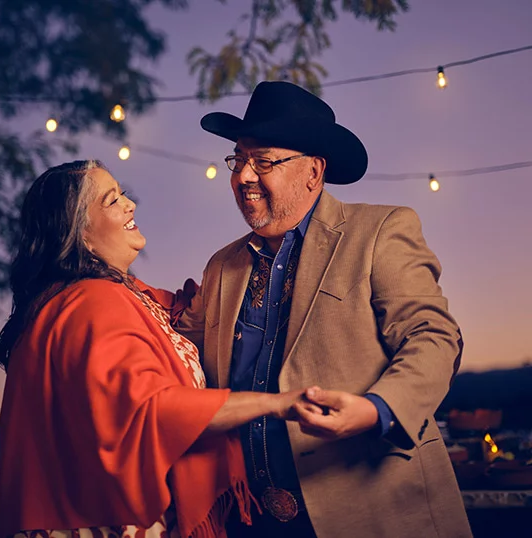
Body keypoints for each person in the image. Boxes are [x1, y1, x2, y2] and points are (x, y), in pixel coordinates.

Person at [176, 81, 472, 537]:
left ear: (313, 171)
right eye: (239, 159)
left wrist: (377, 410)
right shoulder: (220, 266)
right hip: (252, 521)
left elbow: (434, 338)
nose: (244, 176)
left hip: (374, 514)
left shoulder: (381, 230)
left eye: (264, 161)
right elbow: (180, 357)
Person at [0, 160, 320, 538]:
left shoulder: (100, 300)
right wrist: (278, 404)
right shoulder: (93, 304)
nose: (130, 205)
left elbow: (183, 319)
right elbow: (152, 409)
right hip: (113, 521)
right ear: (81, 234)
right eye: (112, 200)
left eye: (123, 194)